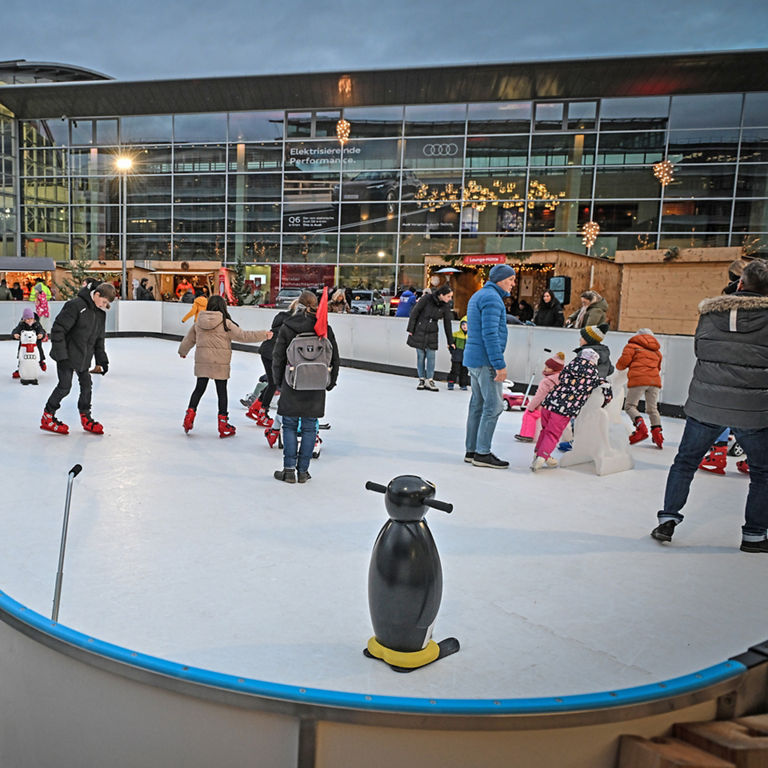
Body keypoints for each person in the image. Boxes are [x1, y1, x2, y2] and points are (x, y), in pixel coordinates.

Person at [651, 259, 768, 553]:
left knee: (685, 461)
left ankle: (668, 518)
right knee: (762, 472)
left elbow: (701, 348)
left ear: (740, 284)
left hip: (706, 403)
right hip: (752, 408)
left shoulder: (710, 312)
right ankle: (754, 535)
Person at [178, 295, 271, 438]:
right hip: (219, 363)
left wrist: (182, 352)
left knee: (199, 389)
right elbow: (244, 336)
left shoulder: (199, 322)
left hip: (202, 361)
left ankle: (189, 416)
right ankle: (223, 423)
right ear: (222, 306)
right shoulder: (225, 323)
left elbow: (189, 339)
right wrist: (264, 335)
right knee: (221, 392)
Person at [271, 290, 340, 483]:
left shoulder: (288, 326)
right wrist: (331, 381)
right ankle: (303, 471)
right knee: (310, 428)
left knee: (290, 426)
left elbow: (278, 357)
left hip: (292, 382)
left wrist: (279, 382)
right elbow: (334, 357)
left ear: (298, 304)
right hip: (316, 384)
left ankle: (288, 470)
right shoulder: (324, 326)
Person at [40, 282, 117, 435]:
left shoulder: (100, 314)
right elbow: (58, 329)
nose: (104, 306)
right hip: (67, 355)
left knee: (87, 386)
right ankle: (47, 416)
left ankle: (85, 417)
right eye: (104, 302)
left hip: (83, 356)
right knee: (64, 386)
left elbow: (99, 339)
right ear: (97, 295)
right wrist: (61, 354)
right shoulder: (76, 306)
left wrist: (102, 360)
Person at [463, 264, 516, 469]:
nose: (513, 283)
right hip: (486, 361)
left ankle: (472, 450)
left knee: (477, 405)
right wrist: (499, 364)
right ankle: (482, 453)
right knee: (493, 406)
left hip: (475, 360)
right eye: (511, 279)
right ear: (501, 279)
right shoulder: (493, 299)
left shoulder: (479, 295)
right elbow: (490, 335)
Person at [531, 348, 612, 472]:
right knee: (553, 434)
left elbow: (562, 378)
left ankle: (539, 454)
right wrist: (607, 398)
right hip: (564, 410)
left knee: (546, 430)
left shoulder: (569, 366)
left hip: (549, 404)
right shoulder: (593, 373)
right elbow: (602, 385)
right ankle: (542, 457)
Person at [244, 303, 295, 426]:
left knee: (273, 383)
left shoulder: (282, 317)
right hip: (272, 353)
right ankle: (262, 412)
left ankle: (256, 408)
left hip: (266, 351)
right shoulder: (292, 323)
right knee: (274, 384)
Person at [616, 328, 663, 448]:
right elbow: (658, 367)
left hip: (639, 380)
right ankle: (658, 434)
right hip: (655, 382)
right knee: (652, 409)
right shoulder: (657, 352)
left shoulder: (632, 346)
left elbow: (622, 364)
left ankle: (640, 427)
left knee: (630, 406)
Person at [406, 284, 455, 391]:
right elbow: (415, 312)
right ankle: (422, 379)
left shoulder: (445, 306)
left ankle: (430, 379)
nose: (450, 299)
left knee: (431, 356)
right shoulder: (426, 299)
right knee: (421, 356)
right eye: (448, 296)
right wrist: (411, 329)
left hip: (432, 332)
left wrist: (450, 341)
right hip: (419, 329)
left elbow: (448, 323)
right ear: (441, 295)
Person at [514, 352, 565, 443]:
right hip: (556, 407)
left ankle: (527, 435)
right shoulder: (563, 379)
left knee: (529, 415)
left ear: (555, 369)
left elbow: (539, 396)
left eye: (548, 367)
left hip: (543, 407)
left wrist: (530, 407)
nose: (545, 369)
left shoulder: (547, 381)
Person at [12, 307, 47, 377]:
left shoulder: (37, 324)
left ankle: (41, 362)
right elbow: (16, 330)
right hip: (24, 345)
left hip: (35, 344)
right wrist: (15, 334)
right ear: (24, 319)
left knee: (38, 353)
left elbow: (41, 330)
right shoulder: (21, 325)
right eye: (27, 319)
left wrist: (41, 334)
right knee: (22, 357)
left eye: (31, 318)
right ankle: (20, 369)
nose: (29, 320)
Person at [448, 316, 469, 391]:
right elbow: (450, 344)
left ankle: (463, 384)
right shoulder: (456, 334)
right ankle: (451, 382)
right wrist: (453, 352)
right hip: (457, 356)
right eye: (463, 325)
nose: (465, 326)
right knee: (454, 370)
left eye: (467, 325)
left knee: (464, 371)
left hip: (466, 357)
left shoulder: (471, 336)